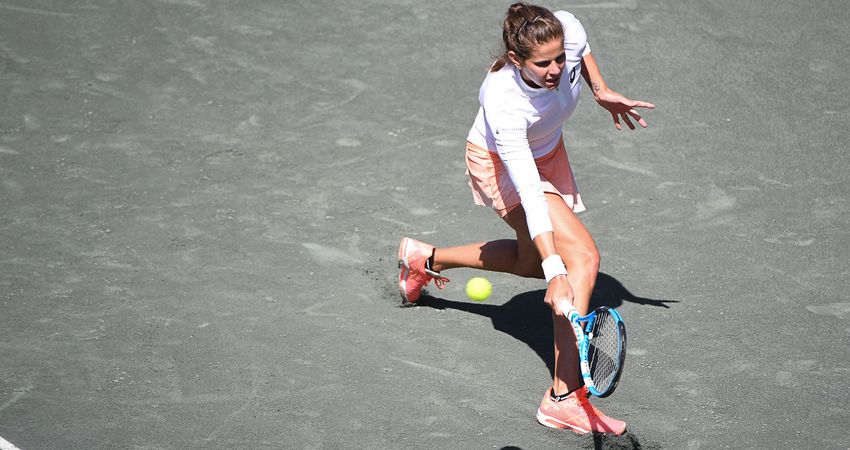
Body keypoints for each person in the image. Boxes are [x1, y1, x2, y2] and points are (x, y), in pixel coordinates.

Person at [397, 2, 654, 435]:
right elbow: (531, 195)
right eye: (543, 64)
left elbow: (580, 45)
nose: (556, 69)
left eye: (559, 58)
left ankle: (425, 259)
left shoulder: (565, 28)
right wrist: (557, 274)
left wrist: (600, 89)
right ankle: (563, 397)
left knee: (528, 261)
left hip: (547, 149)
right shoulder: (504, 101)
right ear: (516, 60)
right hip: (502, 164)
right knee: (581, 258)